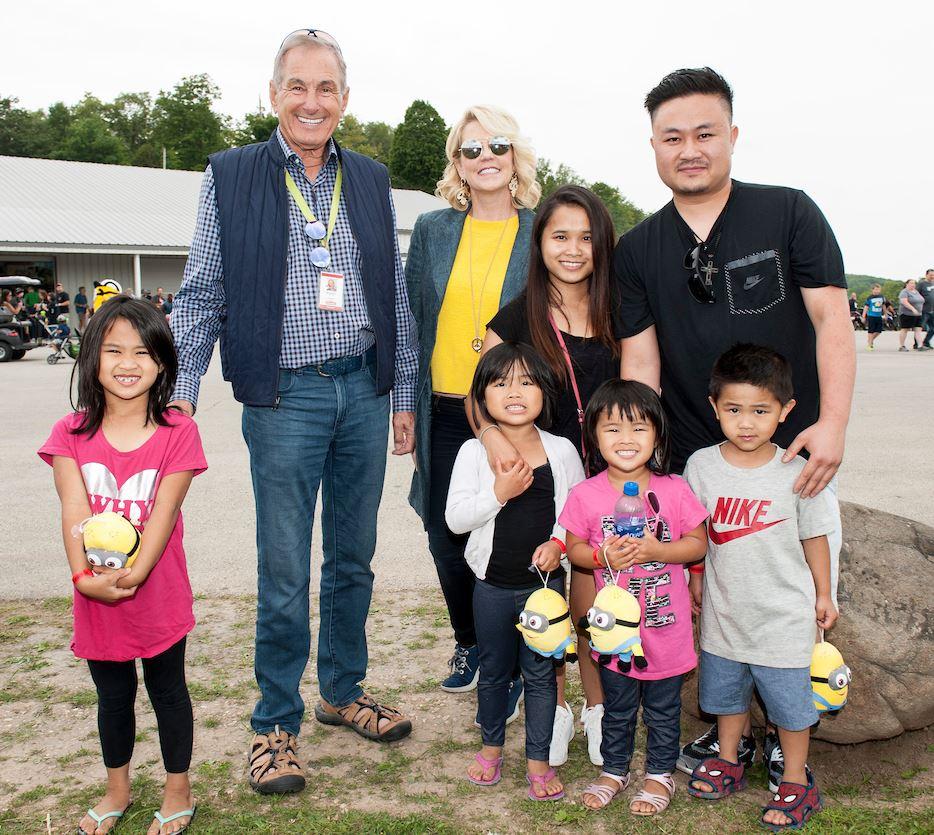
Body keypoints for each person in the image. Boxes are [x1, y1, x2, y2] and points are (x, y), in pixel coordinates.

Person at [169, 28, 417, 794]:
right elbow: (203, 290)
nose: (313, 102)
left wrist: (402, 391)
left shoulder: (370, 179)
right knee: (284, 567)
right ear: (272, 94)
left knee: (354, 557)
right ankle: (275, 723)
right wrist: (181, 391)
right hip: (286, 394)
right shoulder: (232, 175)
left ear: (345, 99)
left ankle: (342, 691)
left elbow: (395, 297)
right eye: (298, 87)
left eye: (327, 89)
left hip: (364, 389)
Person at [616, 67, 853, 782]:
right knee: (714, 613)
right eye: (672, 137)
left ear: (732, 136)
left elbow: (831, 322)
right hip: (699, 471)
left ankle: (793, 734)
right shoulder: (637, 249)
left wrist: (833, 424)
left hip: (794, 462)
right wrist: (646, 475)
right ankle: (731, 737)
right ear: (653, 146)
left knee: (797, 605)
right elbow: (641, 366)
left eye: (705, 133)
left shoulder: (789, 212)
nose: (690, 149)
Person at [38, 296, 207, 835]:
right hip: (95, 594)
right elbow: (74, 509)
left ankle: (177, 791)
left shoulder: (178, 431)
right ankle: (118, 789)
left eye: (141, 350)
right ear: (91, 359)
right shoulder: (70, 433)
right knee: (112, 697)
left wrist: (133, 575)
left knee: (168, 692)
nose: (127, 362)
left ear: (162, 362)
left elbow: (163, 512)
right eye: (112, 350)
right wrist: (83, 579)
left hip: (157, 592)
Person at [482, 185, 623, 766]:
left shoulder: (623, 307)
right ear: (539, 243)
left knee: (592, 602)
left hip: (613, 475)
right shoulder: (518, 314)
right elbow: (480, 387)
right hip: (548, 479)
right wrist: (492, 439)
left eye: (586, 237)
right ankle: (555, 709)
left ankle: (598, 708)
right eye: (560, 236)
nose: (573, 249)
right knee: (553, 597)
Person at [405, 105, 540, 698]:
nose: (485, 157)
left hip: (516, 409)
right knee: (445, 532)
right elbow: (411, 319)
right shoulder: (434, 230)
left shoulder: (540, 229)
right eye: (471, 149)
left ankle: (513, 660)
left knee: (514, 535)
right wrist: (403, 406)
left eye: (497, 145)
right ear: (456, 164)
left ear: (516, 157)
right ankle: (472, 644)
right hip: (443, 405)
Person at [683, 344, 838, 831]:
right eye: (733, 410)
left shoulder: (797, 471)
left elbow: (815, 536)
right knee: (726, 697)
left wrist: (824, 593)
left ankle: (795, 779)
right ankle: (730, 759)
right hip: (725, 614)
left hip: (783, 616)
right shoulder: (701, 466)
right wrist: (695, 580)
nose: (746, 422)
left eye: (760, 411)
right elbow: (696, 535)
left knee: (791, 705)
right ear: (714, 406)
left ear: (786, 411)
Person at [559, 379, 707, 815]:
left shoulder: (675, 490)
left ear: (658, 434)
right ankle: (614, 770)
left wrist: (659, 550)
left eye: (639, 428)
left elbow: (697, 544)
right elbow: (574, 550)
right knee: (618, 708)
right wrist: (603, 554)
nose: (626, 439)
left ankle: (660, 776)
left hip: (667, 629)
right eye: (613, 429)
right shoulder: (585, 495)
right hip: (614, 636)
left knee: (663, 710)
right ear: (594, 437)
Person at [445, 342, 584, 801]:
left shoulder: (561, 451)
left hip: (544, 589)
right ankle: (491, 749)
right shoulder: (471, 452)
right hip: (492, 588)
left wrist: (559, 545)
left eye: (527, 381)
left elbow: (576, 512)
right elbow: (455, 519)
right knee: (493, 670)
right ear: (482, 396)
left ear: (545, 392)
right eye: (500, 383)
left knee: (542, 674)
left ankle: (539, 761)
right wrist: (499, 493)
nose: (514, 391)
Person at [897, 278, 924, 351]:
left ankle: (920, 346)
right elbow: (904, 302)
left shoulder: (916, 292)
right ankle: (902, 346)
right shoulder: (904, 292)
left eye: (914, 283)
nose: (913, 285)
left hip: (918, 314)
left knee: (918, 330)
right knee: (905, 329)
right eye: (911, 283)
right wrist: (913, 309)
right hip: (906, 314)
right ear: (907, 284)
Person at [861, 282, 887, 350]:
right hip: (871, 316)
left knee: (879, 331)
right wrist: (863, 316)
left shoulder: (882, 297)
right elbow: (866, 307)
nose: (877, 291)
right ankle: (869, 345)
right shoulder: (870, 298)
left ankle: (870, 340)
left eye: (878, 290)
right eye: (875, 289)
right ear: (872, 290)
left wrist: (886, 314)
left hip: (879, 316)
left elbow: (884, 306)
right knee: (871, 331)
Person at [918, 268, 934, 350]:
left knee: (932, 328)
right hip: (924, 310)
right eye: (931, 275)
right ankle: (917, 344)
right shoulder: (921, 284)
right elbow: (917, 295)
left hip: (932, 310)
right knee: (919, 328)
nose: (932, 276)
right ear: (926, 275)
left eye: (933, 275)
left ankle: (926, 342)